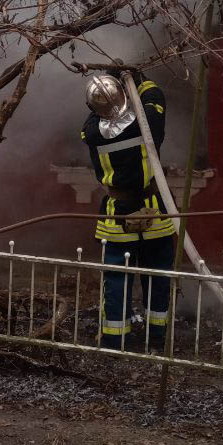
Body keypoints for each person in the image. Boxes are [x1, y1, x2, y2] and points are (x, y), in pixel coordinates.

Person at [80, 71, 176, 351]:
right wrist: (139, 78)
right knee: (158, 275)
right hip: (153, 209)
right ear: (123, 97)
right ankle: (157, 337)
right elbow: (155, 98)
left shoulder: (92, 133)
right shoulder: (147, 123)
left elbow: (91, 115)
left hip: (117, 214)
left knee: (116, 278)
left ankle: (114, 338)